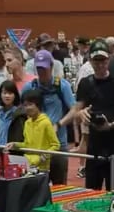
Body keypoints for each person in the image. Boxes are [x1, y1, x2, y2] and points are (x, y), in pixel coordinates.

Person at [74, 38, 114, 190]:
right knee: (90, 192)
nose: (100, 65)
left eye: (103, 60)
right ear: (90, 61)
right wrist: (81, 114)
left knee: (113, 192)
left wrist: (111, 125)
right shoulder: (85, 83)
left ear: (109, 59)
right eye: (96, 61)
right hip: (94, 146)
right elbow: (77, 111)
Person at [22, 50, 75, 183]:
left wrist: (59, 124)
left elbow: (74, 110)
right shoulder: (29, 87)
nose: (41, 72)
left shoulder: (62, 86)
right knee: (35, 185)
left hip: (58, 145)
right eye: (39, 68)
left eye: (44, 68)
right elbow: (23, 110)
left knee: (59, 186)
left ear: (51, 67)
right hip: (36, 148)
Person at [7, 88, 59, 174]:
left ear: (38, 105)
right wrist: (15, 144)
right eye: (25, 105)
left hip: (42, 169)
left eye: (30, 104)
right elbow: (27, 144)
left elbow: (55, 145)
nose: (27, 108)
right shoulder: (27, 123)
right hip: (27, 165)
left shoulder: (46, 123)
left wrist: (43, 157)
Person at [0, 80, 25, 145]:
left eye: (10, 93)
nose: (7, 96)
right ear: (0, 95)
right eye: (4, 93)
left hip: (12, 150)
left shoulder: (20, 115)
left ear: (15, 95)